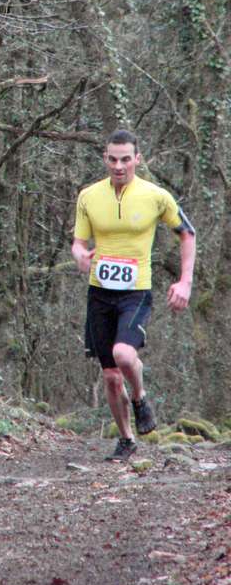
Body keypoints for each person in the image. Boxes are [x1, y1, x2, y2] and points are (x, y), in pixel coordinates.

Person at [71, 129, 196, 462]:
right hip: (99, 293)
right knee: (111, 377)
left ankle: (140, 397)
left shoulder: (156, 196)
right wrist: (80, 255)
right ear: (105, 159)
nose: (119, 166)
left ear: (137, 159)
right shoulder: (88, 196)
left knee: (124, 355)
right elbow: (78, 243)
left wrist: (184, 282)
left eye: (125, 159)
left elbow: (187, 234)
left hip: (135, 292)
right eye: (113, 159)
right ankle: (126, 439)